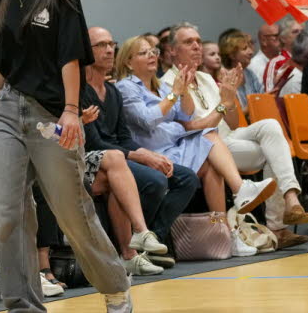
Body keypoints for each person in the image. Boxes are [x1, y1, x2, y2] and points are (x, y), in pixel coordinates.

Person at [0, 0, 131, 313]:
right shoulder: (1, 1)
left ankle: (115, 286)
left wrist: (72, 111)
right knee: (7, 213)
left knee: (71, 210)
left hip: (51, 117)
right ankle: (22, 306)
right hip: (8, 110)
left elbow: (69, 59)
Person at [114, 35, 270, 258]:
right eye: (143, 53)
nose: (151, 56)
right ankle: (237, 197)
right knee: (209, 139)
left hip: (174, 148)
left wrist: (185, 89)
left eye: (153, 52)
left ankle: (225, 233)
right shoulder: (126, 87)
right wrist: (176, 92)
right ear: (128, 62)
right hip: (152, 154)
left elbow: (185, 114)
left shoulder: (159, 87)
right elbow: (147, 120)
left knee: (212, 161)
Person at [163, 23, 308, 249]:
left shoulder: (205, 78)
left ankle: (291, 198)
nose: (196, 47)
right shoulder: (167, 82)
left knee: (271, 127)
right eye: (188, 42)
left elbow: (231, 122)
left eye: (198, 42)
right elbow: (188, 126)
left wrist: (230, 100)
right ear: (172, 50)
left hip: (225, 138)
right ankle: (277, 227)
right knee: (272, 152)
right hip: (201, 146)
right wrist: (224, 105)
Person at [84, 27, 197, 272]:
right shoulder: (81, 91)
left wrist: (149, 154)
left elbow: (123, 137)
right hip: (95, 159)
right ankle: (138, 241)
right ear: (85, 51)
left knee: (185, 176)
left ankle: (150, 238)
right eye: (101, 45)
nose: (109, 50)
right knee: (154, 180)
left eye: (111, 43)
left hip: (119, 155)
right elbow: (94, 143)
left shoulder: (112, 91)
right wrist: (141, 154)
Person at [218, 29, 263, 107]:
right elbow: (229, 111)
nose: (251, 52)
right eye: (245, 49)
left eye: (250, 47)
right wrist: (253, 106)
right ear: (232, 55)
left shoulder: (249, 73)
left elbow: (262, 97)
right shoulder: (224, 77)